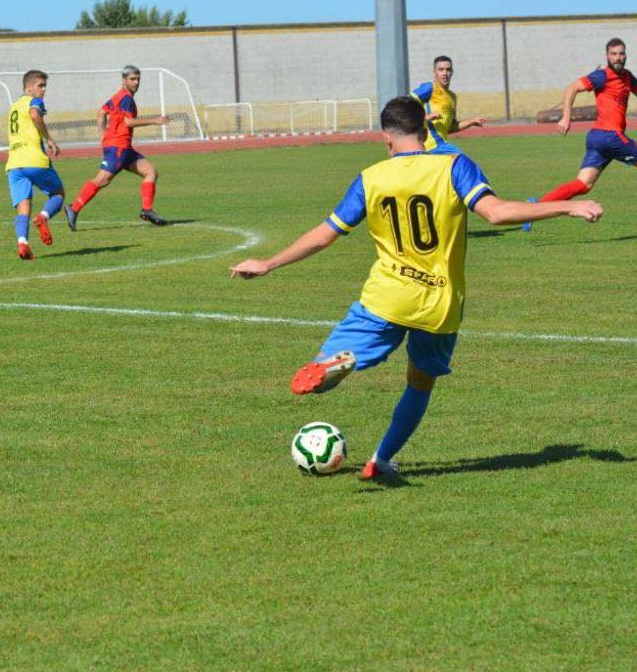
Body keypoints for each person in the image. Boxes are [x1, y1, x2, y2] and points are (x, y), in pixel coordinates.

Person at [229, 96, 602, 481]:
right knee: (420, 383)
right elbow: (496, 213)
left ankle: (340, 360)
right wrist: (566, 207)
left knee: (324, 367)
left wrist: (269, 263)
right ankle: (382, 459)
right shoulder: (454, 165)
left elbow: (326, 235)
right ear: (425, 131)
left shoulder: (371, 177)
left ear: (386, 138)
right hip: (439, 302)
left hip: (386, 297)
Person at [530, 37, 637, 209]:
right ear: (607, 56)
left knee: (583, 185)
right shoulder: (602, 76)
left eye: (621, 53)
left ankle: (536, 207)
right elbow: (571, 88)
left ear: (626, 55)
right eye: (613, 54)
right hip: (609, 136)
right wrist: (566, 117)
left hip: (597, 139)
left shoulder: (628, 77)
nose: (618, 57)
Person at [64, 65, 171, 230]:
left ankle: (147, 210)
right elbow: (127, 122)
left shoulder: (118, 96)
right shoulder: (126, 98)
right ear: (124, 80)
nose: (136, 83)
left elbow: (101, 112)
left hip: (124, 148)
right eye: (132, 79)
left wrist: (103, 136)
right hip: (118, 147)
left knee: (150, 172)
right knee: (102, 180)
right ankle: (73, 208)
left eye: (138, 79)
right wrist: (155, 120)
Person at [5, 70, 64, 260]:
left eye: (44, 86)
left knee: (23, 208)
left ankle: (23, 243)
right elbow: (35, 116)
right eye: (40, 85)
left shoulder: (14, 107)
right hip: (34, 160)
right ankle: (44, 217)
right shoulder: (34, 102)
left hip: (14, 164)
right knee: (58, 194)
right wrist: (49, 139)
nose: (43, 90)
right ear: (28, 87)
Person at [410, 55, 487, 153]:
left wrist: (471, 122)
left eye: (448, 70)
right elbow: (404, 105)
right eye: (441, 70)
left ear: (452, 72)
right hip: (429, 146)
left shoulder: (452, 97)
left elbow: (451, 128)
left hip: (439, 146)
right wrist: (426, 117)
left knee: (461, 163)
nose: (445, 73)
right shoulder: (429, 88)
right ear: (434, 72)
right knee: (462, 162)